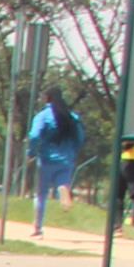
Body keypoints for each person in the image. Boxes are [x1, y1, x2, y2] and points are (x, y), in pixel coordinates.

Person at [26, 88, 81, 234]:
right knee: (62, 182)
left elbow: (34, 135)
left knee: (40, 195)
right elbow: (80, 137)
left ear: (47, 98)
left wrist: (31, 152)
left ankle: (38, 228)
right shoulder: (72, 116)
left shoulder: (43, 116)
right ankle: (62, 188)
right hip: (66, 160)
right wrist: (73, 151)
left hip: (47, 159)